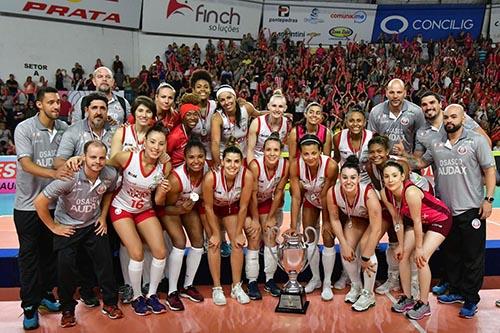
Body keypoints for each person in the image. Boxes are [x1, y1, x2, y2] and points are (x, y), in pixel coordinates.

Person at [408, 104, 496, 319]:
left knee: (472, 257)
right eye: (446, 117)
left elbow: (489, 170)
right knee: (452, 254)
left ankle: (471, 299)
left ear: (463, 118)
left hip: (471, 209)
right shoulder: (436, 142)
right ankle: (455, 291)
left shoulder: (476, 141)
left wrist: (489, 199)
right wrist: (404, 157)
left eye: (453, 116)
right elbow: (420, 162)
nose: (449, 120)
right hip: (446, 211)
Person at [34, 141, 124, 327]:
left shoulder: (109, 174)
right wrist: (54, 227)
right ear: (83, 158)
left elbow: (109, 192)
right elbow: (40, 202)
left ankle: (110, 303)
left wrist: (103, 216)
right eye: (92, 157)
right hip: (68, 226)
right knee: (65, 268)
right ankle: (67, 310)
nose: (97, 162)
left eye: (101, 158)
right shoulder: (69, 176)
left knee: (106, 262)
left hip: (93, 224)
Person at [13, 86, 71, 330]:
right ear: (39, 104)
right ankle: (29, 306)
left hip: (55, 205)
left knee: (50, 255)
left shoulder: (65, 129)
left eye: (58, 102)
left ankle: (46, 295)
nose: (56, 106)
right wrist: (54, 172)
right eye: (50, 102)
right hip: (27, 206)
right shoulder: (24, 128)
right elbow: (26, 164)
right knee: (29, 257)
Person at [107, 125, 172, 316]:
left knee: (160, 252)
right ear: (144, 142)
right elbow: (105, 169)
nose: (156, 147)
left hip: (144, 208)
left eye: (161, 144)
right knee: (136, 253)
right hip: (122, 208)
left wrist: (163, 191)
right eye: (152, 142)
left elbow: (159, 201)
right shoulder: (127, 157)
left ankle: (151, 294)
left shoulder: (165, 166)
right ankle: (137, 297)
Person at [380, 160, 451, 320]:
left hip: (438, 220)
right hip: (416, 221)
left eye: (394, 175)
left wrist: (419, 248)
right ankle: (407, 297)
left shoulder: (410, 192)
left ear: (402, 176)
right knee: (403, 255)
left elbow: (418, 221)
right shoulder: (385, 193)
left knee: (421, 259)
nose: (390, 180)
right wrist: (400, 244)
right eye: (386, 176)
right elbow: (397, 219)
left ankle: (424, 304)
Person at [366, 135, 431, 298]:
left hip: (416, 198)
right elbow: (383, 190)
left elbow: (406, 191)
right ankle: (393, 278)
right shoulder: (371, 167)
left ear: (387, 151)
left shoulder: (400, 164)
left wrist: (397, 216)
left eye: (380, 151)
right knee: (394, 238)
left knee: (413, 239)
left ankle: (414, 282)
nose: (376, 155)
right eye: (372, 152)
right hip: (395, 200)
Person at [110, 95, 157, 304]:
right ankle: (129, 285)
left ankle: (146, 282)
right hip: (122, 189)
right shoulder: (122, 131)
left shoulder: (155, 137)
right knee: (127, 242)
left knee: (147, 241)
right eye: (141, 111)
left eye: (148, 112)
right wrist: (126, 156)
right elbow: (112, 160)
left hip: (146, 191)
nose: (144, 115)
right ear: (134, 113)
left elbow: (162, 159)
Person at [202, 145, 259, 305]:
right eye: (228, 161)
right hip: (212, 209)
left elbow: (243, 207)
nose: (232, 165)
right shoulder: (211, 178)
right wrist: (214, 232)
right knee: (214, 243)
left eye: (236, 162)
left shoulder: (246, 176)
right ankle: (217, 288)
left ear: (241, 163)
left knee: (238, 243)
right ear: (222, 161)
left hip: (230, 208)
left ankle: (236, 286)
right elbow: (208, 207)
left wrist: (240, 232)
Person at [156, 140, 208, 311]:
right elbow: (164, 207)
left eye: (200, 157)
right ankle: (172, 292)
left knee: (198, 242)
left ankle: (187, 286)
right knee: (179, 242)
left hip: (188, 206)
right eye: (191, 157)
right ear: (185, 158)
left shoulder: (207, 172)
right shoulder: (176, 179)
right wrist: (180, 209)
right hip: (171, 209)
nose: (196, 161)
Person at [326, 156, 382, 310]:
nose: (348, 181)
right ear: (339, 178)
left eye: (352, 177)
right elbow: (335, 220)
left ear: (358, 179)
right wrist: (343, 244)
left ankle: (368, 294)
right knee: (348, 247)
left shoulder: (369, 194)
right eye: (344, 177)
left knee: (366, 248)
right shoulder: (333, 192)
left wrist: (365, 257)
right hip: (357, 218)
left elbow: (376, 228)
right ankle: (356, 285)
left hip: (379, 220)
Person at [289, 134, 338, 296]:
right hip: (310, 200)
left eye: (314, 153)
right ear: (301, 154)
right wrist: (292, 226)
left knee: (328, 236)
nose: (310, 157)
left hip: (328, 201)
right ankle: (316, 278)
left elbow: (326, 196)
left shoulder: (330, 166)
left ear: (320, 152)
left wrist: (326, 222)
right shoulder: (295, 166)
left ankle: (327, 283)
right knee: (309, 238)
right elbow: (296, 197)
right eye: (306, 154)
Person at [332, 107, 374, 290]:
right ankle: (346, 274)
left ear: (364, 122)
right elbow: (335, 160)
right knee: (347, 234)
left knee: (366, 235)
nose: (355, 124)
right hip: (347, 186)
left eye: (359, 120)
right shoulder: (338, 137)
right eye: (351, 121)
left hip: (366, 189)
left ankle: (369, 279)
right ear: (346, 122)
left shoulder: (372, 136)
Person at [247, 132, 289, 297]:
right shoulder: (255, 166)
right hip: (248, 202)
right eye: (269, 150)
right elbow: (250, 195)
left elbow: (278, 193)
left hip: (265, 202)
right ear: (263, 151)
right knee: (255, 237)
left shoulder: (284, 165)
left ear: (280, 151)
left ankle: (270, 280)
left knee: (270, 234)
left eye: (276, 150)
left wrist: (271, 218)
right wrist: (256, 220)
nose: (272, 153)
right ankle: (251, 281)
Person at [55, 93, 114, 169]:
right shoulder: (73, 131)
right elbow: (58, 162)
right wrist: (73, 163)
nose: (98, 112)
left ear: (107, 111)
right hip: (82, 179)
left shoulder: (115, 130)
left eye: (102, 108)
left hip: (110, 179)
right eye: (94, 108)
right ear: (86, 110)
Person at [367, 78, 425, 154]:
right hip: (382, 159)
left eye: (399, 92)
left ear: (405, 93)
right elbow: (370, 139)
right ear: (386, 93)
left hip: (406, 160)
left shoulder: (416, 111)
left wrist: (415, 158)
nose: (395, 96)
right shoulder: (376, 111)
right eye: (391, 92)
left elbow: (421, 139)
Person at [210, 85, 261, 168]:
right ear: (219, 102)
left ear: (235, 96)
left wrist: (281, 113)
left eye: (229, 97)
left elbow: (259, 114)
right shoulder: (217, 117)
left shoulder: (246, 108)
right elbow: (215, 143)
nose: (226, 102)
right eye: (222, 100)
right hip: (225, 157)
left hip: (243, 155)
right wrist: (218, 163)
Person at [247, 90, 290, 162]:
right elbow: (250, 150)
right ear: (268, 106)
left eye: (280, 106)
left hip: (276, 161)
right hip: (258, 160)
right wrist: (253, 168)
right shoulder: (257, 123)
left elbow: (285, 151)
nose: (277, 109)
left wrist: (283, 161)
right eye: (274, 106)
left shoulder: (288, 123)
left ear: (285, 108)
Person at [190, 69, 217, 166]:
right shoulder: (188, 109)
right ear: (193, 89)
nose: (202, 89)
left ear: (210, 90)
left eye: (206, 87)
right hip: (195, 158)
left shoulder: (215, 106)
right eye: (198, 87)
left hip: (213, 155)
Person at [167, 94, 201, 167]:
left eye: (195, 114)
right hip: (174, 169)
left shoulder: (190, 132)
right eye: (188, 114)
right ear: (182, 117)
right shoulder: (175, 136)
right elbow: (165, 154)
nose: (192, 117)